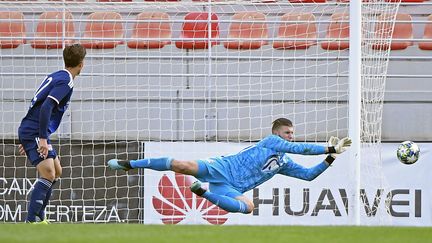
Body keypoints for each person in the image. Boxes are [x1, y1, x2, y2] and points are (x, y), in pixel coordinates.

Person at [107, 118, 351, 214]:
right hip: (222, 168)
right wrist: (328, 148)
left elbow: (308, 176)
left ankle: (203, 192)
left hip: (229, 187)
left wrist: (332, 157)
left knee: (248, 207)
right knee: (181, 165)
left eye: (293, 133)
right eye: (288, 132)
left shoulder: (282, 163)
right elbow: (300, 149)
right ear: (276, 132)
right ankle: (129, 164)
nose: (291, 136)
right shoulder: (270, 141)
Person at [18, 44, 86, 223]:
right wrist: (40, 138)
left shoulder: (57, 75)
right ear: (81, 64)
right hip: (35, 131)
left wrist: (32, 137)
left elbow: (39, 104)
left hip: (33, 130)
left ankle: (40, 217)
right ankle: (31, 220)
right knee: (48, 173)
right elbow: (46, 106)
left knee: (56, 171)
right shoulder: (66, 81)